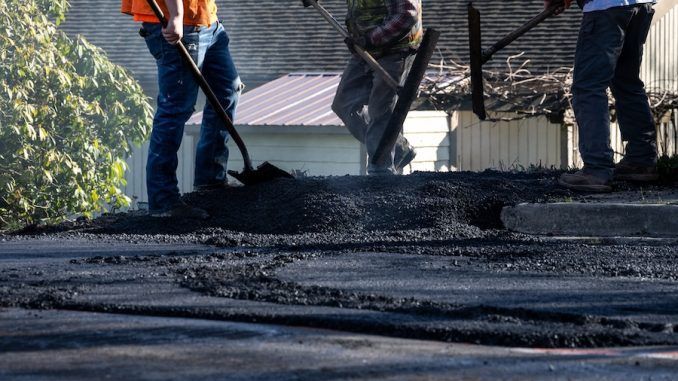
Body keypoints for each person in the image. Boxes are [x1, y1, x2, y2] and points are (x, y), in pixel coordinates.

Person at [121, 0, 242, 218]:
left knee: (227, 90)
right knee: (175, 108)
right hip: (180, 22)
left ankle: (210, 179)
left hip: (206, 20)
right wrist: (176, 15)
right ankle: (163, 200)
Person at [552, 0, 658, 192]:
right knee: (627, 81)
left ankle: (596, 169)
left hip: (605, 7)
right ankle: (641, 160)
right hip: (640, 5)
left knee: (588, 87)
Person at [329, 0, 423, 175]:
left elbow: (406, 14)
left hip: (395, 49)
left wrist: (370, 39)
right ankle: (398, 148)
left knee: (381, 109)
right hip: (365, 48)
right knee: (344, 104)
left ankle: (381, 172)